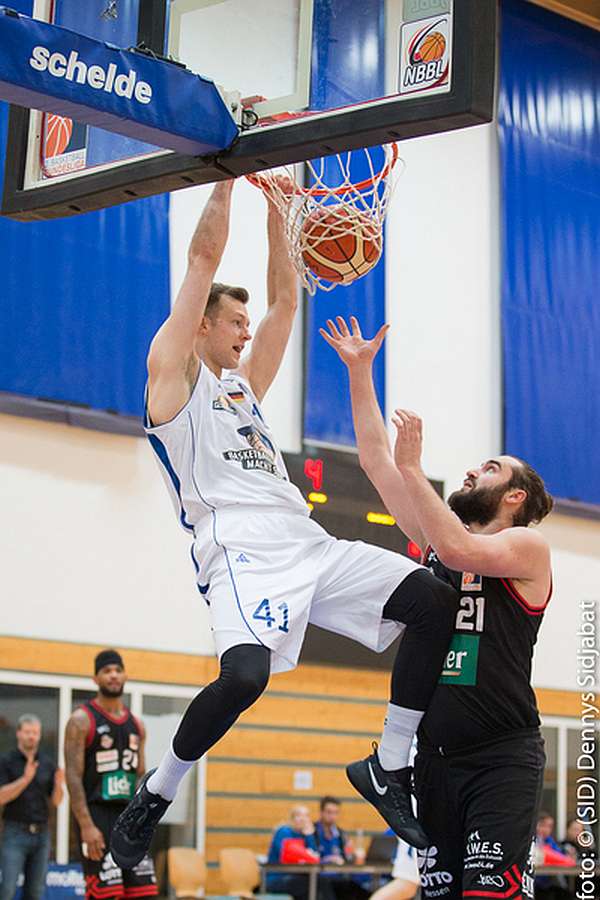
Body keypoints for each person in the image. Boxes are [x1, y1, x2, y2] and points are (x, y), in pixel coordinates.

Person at [110, 182, 459, 866]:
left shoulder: (243, 388)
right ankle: (157, 793)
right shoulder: (173, 385)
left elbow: (286, 301)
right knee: (244, 678)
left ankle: (387, 764)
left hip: (308, 543)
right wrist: (228, 176)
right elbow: (202, 262)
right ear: (202, 325)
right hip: (239, 549)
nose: (246, 331)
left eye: (246, 322)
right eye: (233, 322)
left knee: (432, 599)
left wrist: (280, 212)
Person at [320, 315, 554, 900]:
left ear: (514, 496)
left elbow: (458, 547)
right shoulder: (439, 538)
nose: (475, 470)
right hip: (435, 762)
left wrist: (413, 468)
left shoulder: (526, 546)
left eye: (490, 469)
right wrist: (359, 373)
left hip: (501, 757)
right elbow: (376, 458)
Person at [64, 650, 157, 900]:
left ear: (125, 675)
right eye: (107, 671)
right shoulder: (81, 720)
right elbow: (72, 778)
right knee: (106, 894)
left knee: (143, 892)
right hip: (96, 815)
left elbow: (140, 776)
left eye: (117, 670)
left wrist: (145, 820)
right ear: (95, 679)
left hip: (129, 816)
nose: (113, 675)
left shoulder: (137, 725)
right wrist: (85, 825)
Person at [0, 715, 63, 900]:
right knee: (8, 890)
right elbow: (2, 797)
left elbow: (57, 801)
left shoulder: (47, 763)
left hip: (42, 834)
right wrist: (25, 779)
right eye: (27, 732)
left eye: (35, 733)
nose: (31, 736)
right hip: (14, 832)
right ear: (19, 733)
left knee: (35, 892)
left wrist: (60, 784)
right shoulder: (6, 761)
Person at [314, 797, 368, 900]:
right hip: (320, 876)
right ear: (321, 812)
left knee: (360, 886)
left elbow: (347, 858)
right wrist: (328, 860)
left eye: (335, 813)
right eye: (329, 812)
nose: (332, 816)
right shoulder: (312, 832)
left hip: (340, 875)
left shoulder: (342, 834)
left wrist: (354, 856)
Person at [266, 805, 319, 900]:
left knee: (321, 882)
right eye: (299, 815)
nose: (303, 819)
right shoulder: (283, 832)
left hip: (297, 876)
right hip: (277, 878)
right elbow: (290, 855)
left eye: (306, 816)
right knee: (308, 884)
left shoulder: (305, 835)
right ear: (291, 819)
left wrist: (310, 836)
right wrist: (306, 856)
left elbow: (315, 857)